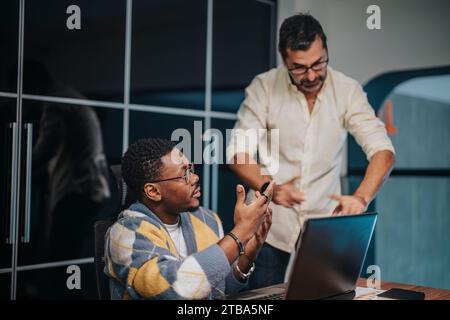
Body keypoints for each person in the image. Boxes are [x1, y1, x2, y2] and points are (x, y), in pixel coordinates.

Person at [227, 13, 395, 289]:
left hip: (326, 226)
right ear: (284, 58)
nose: (312, 74)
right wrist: (271, 187)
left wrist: (362, 197)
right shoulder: (264, 87)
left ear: (326, 50)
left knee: (330, 296)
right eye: (299, 68)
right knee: (262, 298)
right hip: (272, 226)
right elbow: (238, 152)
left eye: (319, 63)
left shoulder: (347, 90)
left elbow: (383, 152)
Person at [104, 138, 274, 299]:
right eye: (184, 174)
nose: (195, 178)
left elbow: (218, 288)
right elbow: (175, 289)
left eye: (191, 169)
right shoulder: (125, 234)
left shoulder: (207, 219)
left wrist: (248, 252)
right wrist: (240, 233)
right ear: (154, 191)